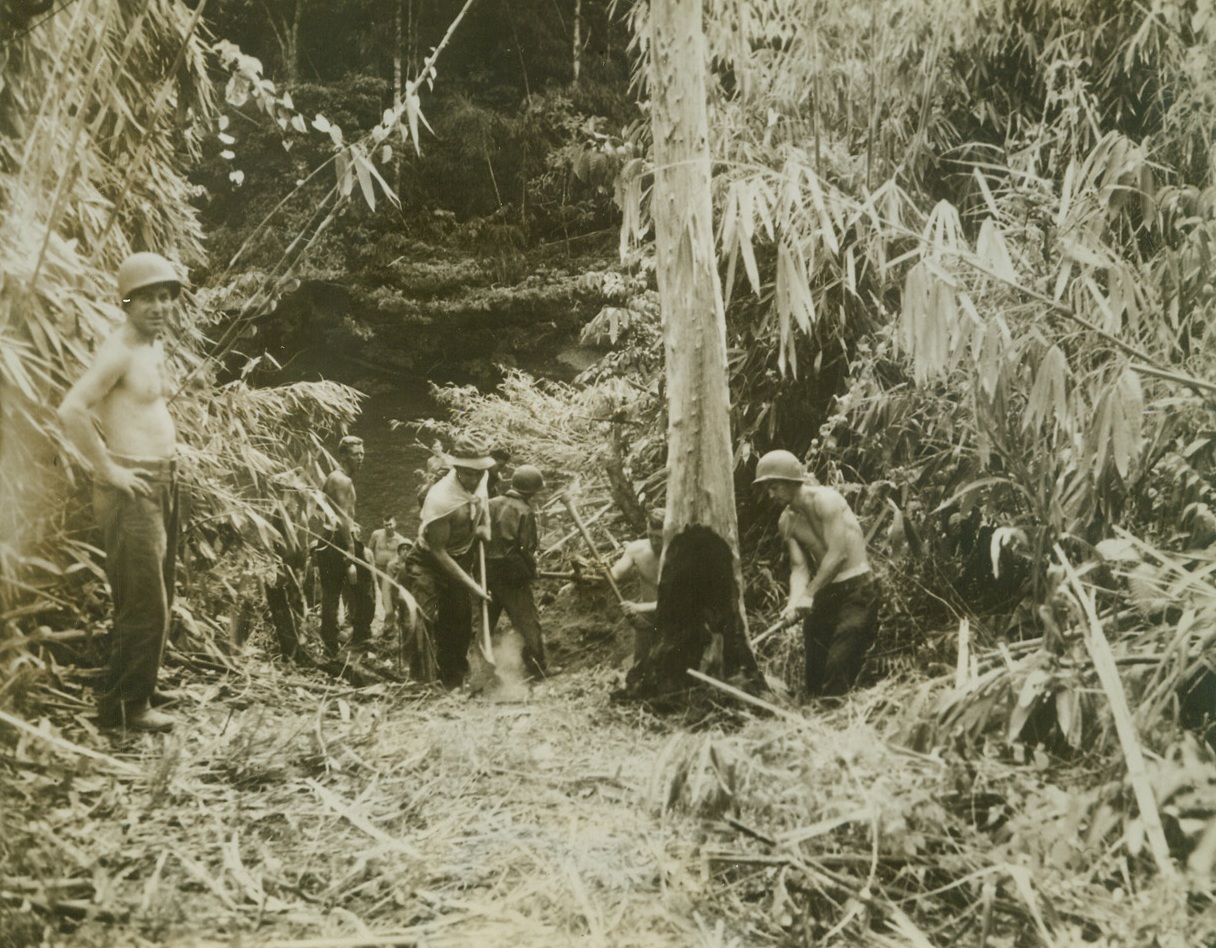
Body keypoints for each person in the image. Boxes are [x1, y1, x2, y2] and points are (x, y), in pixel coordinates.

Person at [57, 251, 185, 732]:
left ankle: (141, 684)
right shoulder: (119, 350)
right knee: (143, 601)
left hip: (162, 479)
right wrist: (107, 470)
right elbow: (71, 410)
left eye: (165, 297)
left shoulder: (152, 345)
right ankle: (127, 708)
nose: (158, 306)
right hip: (132, 486)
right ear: (127, 303)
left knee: (158, 592)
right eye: (147, 298)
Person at [754, 449, 880, 698]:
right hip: (826, 593)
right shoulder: (786, 522)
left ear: (791, 481)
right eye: (767, 488)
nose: (770, 494)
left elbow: (838, 555)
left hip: (858, 592)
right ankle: (814, 723)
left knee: (838, 668)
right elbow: (799, 567)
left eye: (774, 487)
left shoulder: (827, 500)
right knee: (815, 674)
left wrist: (809, 593)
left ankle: (839, 727)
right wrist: (794, 603)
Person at [400, 433, 493, 688]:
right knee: (421, 619)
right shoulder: (441, 499)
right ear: (457, 467)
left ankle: (454, 680)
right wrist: (473, 586)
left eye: (479, 471)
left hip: (461, 557)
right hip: (429, 561)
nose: (475, 478)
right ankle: (421, 682)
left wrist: (485, 526)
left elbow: (483, 504)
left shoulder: (482, 477)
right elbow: (439, 552)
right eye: (469, 473)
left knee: (460, 622)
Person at [485, 465, 547, 680]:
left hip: (486, 573)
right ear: (531, 491)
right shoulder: (525, 511)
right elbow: (526, 549)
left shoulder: (490, 503)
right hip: (513, 575)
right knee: (528, 621)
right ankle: (537, 669)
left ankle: (473, 668)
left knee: (484, 623)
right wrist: (533, 571)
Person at [316, 435, 375, 654]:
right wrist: (350, 547)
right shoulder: (342, 480)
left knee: (331, 593)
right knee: (363, 588)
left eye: (362, 454)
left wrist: (349, 522)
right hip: (340, 540)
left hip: (329, 536)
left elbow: (324, 508)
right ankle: (360, 635)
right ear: (343, 456)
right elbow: (341, 516)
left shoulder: (333, 477)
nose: (360, 458)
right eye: (355, 454)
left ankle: (331, 643)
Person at [608, 508, 665, 672]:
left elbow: (676, 600)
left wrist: (638, 607)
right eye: (650, 535)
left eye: (659, 538)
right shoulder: (637, 549)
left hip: (672, 620)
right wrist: (602, 570)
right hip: (646, 620)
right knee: (641, 669)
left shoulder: (679, 555)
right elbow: (615, 574)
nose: (654, 542)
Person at [368, 514, 406, 626]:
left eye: (390, 524)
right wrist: (371, 566)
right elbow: (369, 550)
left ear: (395, 524)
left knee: (392, 594)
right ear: (383, 525)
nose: (389, 527)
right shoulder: (376, 534)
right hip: (379, 568)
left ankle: (393, 619)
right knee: (383, 593)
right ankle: (390, 619)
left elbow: (401, 557)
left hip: (392, 571)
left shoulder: (400, 539)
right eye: (386, 525)